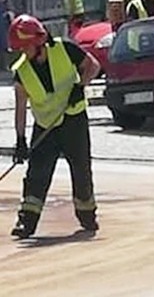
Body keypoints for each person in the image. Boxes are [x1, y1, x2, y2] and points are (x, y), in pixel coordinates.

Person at [8, 14, 101, 239]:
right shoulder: (21, 71)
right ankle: (27, 221)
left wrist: (81, 85)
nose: (23, 52)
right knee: (36, 175)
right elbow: (20, 107)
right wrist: (20, 140)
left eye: (25, 47)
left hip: (74, 120)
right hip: (45, 126)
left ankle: (87, 214)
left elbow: (93, 66)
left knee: (81, 170)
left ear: (38, 42)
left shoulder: (65, 48)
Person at [0, 0, 13, 71]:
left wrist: (8, 15)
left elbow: (11, 11)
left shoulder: (5, 2)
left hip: (3, 27)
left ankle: (4, 66)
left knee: (4, 47)